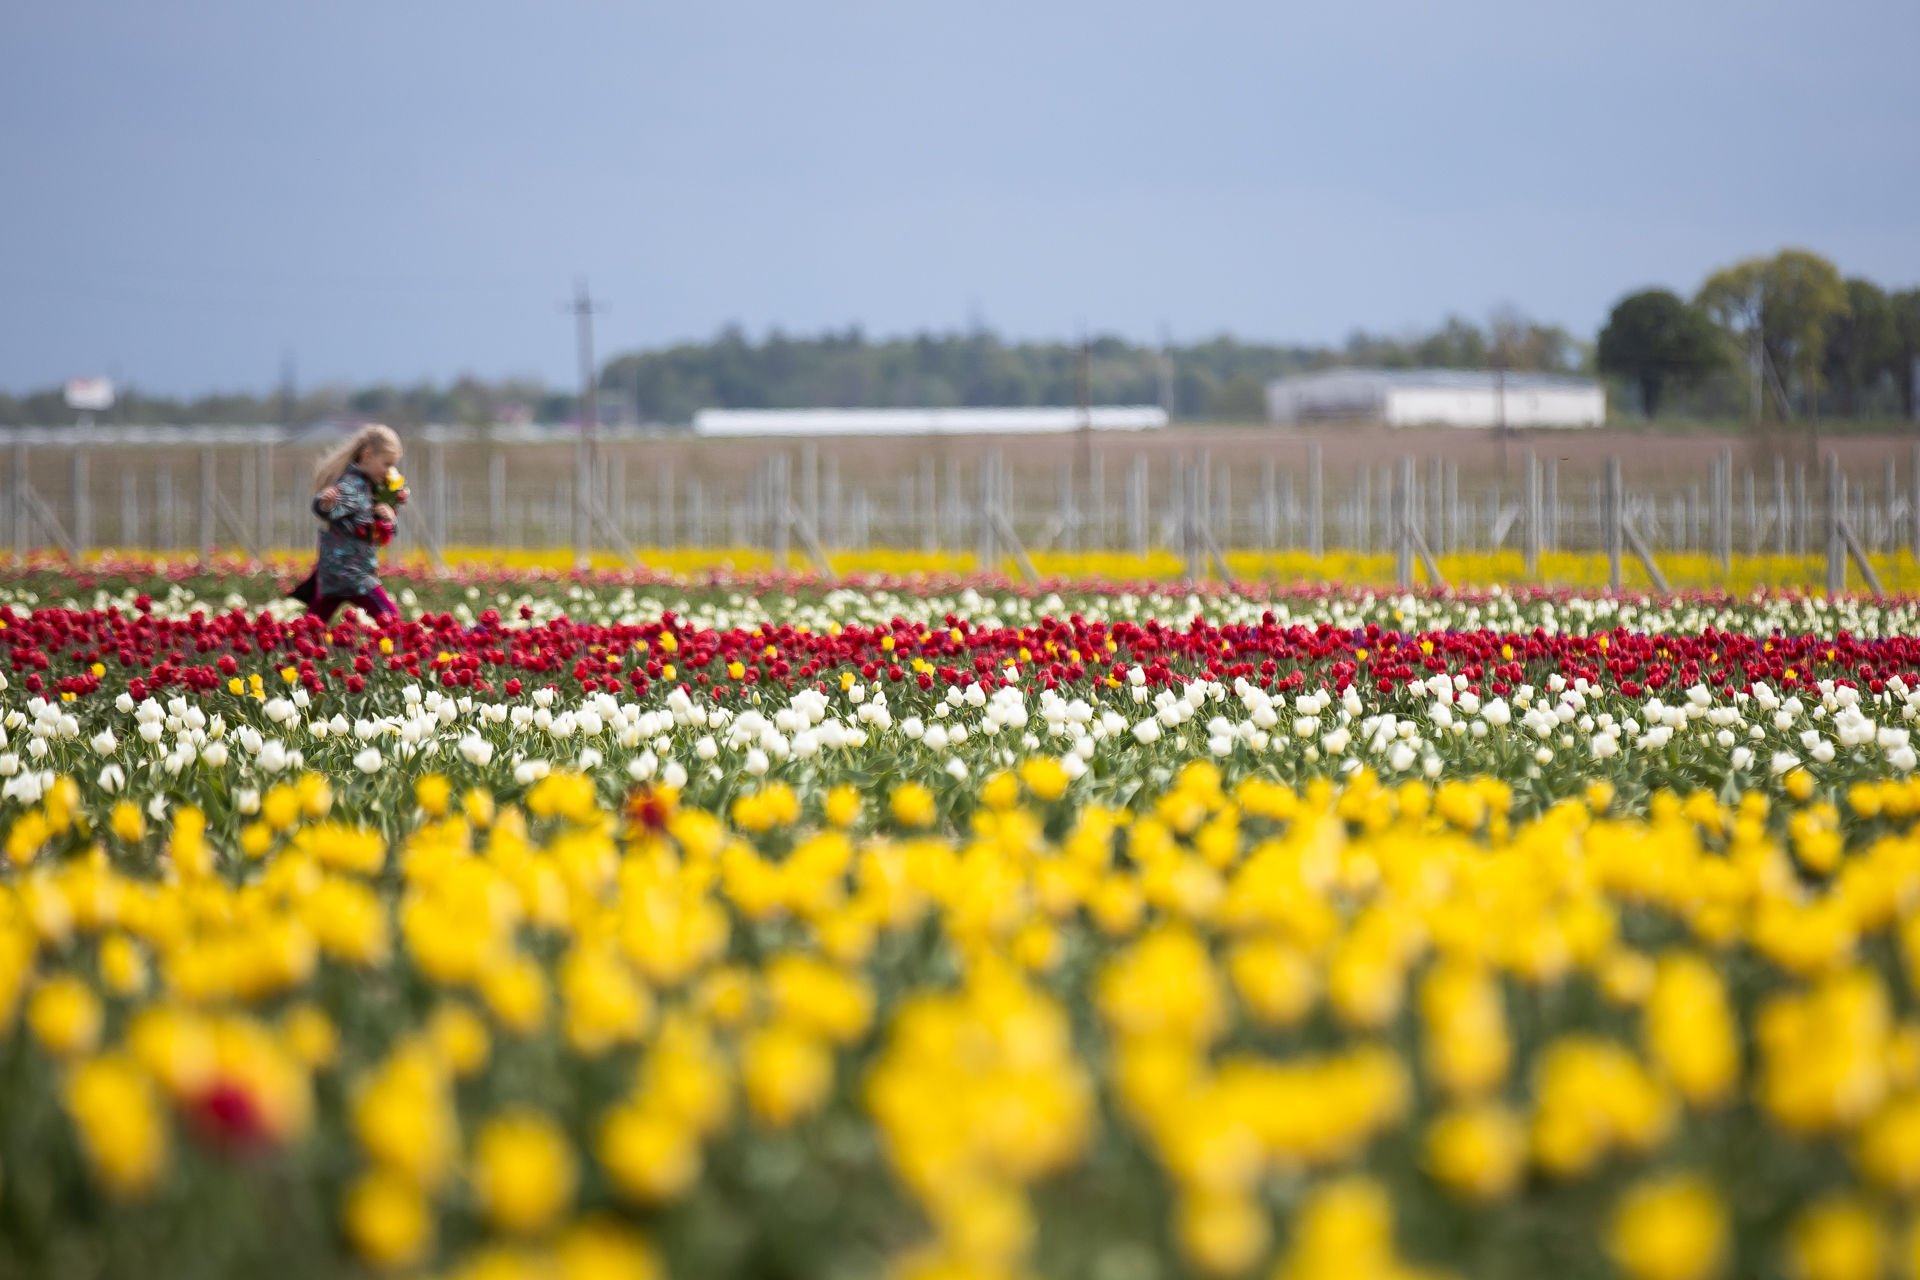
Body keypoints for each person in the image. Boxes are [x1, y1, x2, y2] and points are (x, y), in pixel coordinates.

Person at [288, 424, 405, 623]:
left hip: (334, 572)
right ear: (367, 455)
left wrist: (387, 519)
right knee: (391, 620)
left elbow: (367, 528)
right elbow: (331, 508)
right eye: (386, 464)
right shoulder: (353, 486)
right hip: (351, 573)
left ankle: (286, 647)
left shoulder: (368, 486)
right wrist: (325, 504)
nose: (389, 471)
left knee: (310, 628)